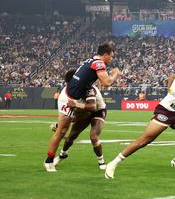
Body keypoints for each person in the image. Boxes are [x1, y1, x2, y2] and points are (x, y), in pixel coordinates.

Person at [104, 49, 175, 179]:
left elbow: (171, 76)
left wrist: (170, 91)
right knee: (144, 140)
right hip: (167, 111)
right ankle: (113, 163)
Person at [44, 43, 120, 172]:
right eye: (111, 56)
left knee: (66, 129)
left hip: (73, 96)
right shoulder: (99, 63)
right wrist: (115, 74)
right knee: (61, 131)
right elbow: (106, 82)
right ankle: (49, 161)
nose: (111, 59)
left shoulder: (91, 60)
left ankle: (53, 156)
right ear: (105, 55)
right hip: (70, 98)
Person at [53, 83, 107, 170]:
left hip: (98, 111)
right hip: (84, 111)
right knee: (71, 136)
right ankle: (62, 154)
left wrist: (76, 105)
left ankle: (101, 161)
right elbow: (74, 114)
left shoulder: (89, 89)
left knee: (94, 137)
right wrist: (60, 125)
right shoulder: (72, 91)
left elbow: (92, 107)